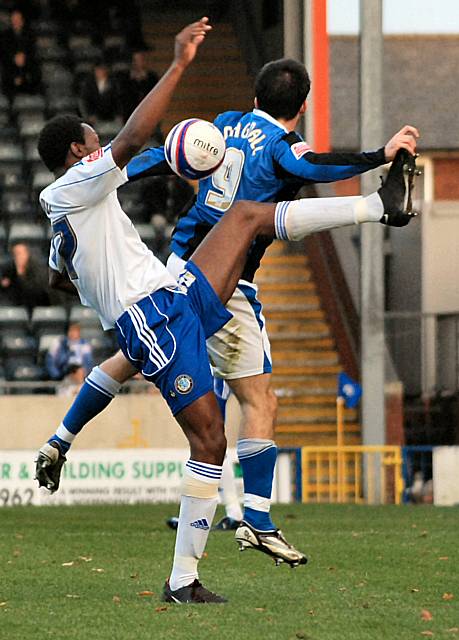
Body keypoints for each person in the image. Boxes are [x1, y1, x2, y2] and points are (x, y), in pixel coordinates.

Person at [33, 16, 416, 603]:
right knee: (210, 441)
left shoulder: (64, 213)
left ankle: (376, 207)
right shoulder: (72, 186)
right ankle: (185, 578)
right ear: (76, 153)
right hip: (152, 319)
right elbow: (132, 143)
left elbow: (60, 278)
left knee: (246, 216)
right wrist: (181, 63)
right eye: (93, 142)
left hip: (169, 294)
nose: (100, 147)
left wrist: (100, 273)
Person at [108, 59, 420, 551]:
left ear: (255, 97)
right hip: (223, 283)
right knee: (253, 402)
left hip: (178, 264)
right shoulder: (281, 147)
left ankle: (65, 439)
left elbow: (171, 153)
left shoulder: (227, 124)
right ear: (302, 107)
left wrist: (112, 172)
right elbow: (309, 166)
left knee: (196, 392)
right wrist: (377, 155)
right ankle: (249, 518)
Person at [45, 322, 94, 394]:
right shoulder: (59, 343)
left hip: (80, 375)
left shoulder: (85, 345)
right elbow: (50, 360)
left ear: (79, 332)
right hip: (64, 375)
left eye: (75, 331)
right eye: (71, 331)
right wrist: (57, 376)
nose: (73, 333)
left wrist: (83, 373)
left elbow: (88, 362)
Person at [0, 242, 50, 310]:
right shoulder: (9, 270)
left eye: (20, 254)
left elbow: (39, 294)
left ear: (28, 254)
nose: (18, 258)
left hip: (36, 306)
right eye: (15, 255)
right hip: (15, 307)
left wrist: (21, 274)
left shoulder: (39, 272)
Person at [78, 59, 122, 125]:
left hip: (111, 116)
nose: (100, 72)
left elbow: (118, 101)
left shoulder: (114, 83)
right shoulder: (88, 84)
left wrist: (118, 115)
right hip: (94, 116)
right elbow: (84, 101)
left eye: (103, 69)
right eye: (98, 70)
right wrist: (90, 116)